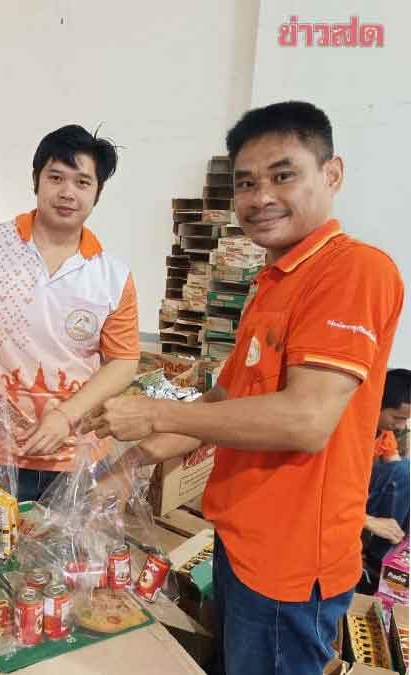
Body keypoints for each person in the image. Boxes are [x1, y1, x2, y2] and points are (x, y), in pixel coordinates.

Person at [89, 101, 404, 675]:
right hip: (240, 539)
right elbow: (220, 403)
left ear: (332, 174)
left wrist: (153, 413)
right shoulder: (272, 284)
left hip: (290, 564)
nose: (261, 198)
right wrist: (129, 464)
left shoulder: (354, 270)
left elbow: (306, 421)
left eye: (283, 176)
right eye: (246, 183)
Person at [0, 124, 140, 502]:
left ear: (97, 193)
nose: (67, 192)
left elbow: (123, 361)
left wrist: (67, 415)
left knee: (69, 541)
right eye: (55, 177)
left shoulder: (112, 275)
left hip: (78, 452)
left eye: (82, 182)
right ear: (35, 180)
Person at [361, 368, 410, 590]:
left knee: (405, 473)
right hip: (347, 496)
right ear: (376, 403)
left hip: (362, 492)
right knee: (404, 471)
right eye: (398, 418)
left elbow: (398, 469)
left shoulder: (384, 432)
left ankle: (401, 557)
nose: (402, 426)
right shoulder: (354, 429)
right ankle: (380, 558)